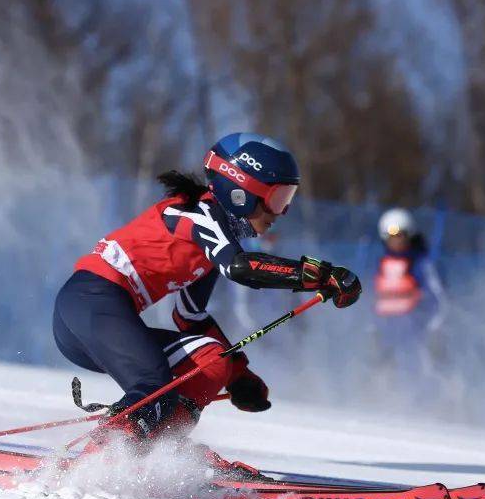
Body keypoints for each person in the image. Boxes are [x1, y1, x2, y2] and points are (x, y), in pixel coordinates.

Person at [52, 133, 361, 475]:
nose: (281, 212)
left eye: (288, 198)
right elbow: (240, 267)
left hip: (96, 319)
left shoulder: (211, 243)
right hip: (90, 302)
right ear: (241, 192)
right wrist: (317, 275)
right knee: (154, 386)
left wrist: (236, 376)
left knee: (210, 360)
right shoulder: (201, 215)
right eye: (277, 198)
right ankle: (106, 455)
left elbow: (189, 316)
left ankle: (164, 454)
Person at [372, 208, 446, 381]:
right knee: (383, 376)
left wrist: (434, 327)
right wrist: (374, 328)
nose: (397, 241)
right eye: (392, 236)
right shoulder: (382, 265)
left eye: (401, 235)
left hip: (416, 331)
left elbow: (437, 297)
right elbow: (374, 299)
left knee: (421, 373)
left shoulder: (421, 264)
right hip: (388, 332)